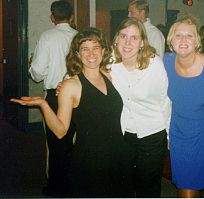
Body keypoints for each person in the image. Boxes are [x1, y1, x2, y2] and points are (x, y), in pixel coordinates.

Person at [12, 28, 135, 197]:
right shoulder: (71, 86)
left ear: (104, 50)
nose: (91, 53)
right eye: (85, 48)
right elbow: (60, 131)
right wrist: (43, 104)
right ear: (77, 54)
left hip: (118, 155)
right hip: (91, 160)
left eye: (96, 47)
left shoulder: (109, 76)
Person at [110, 17, 171, 197]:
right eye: (123, 36)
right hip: (123, 134)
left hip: (152, 133)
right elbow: (84, 69)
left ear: (142, 42)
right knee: (124, 184)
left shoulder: (154, 66)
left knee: (148, 187)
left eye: (134, 37)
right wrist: (66, 82)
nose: (128, 42)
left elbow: (164, 101)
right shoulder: (109, 62)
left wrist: (167, 135)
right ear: (116, 39)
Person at [164, 15, 204, 198]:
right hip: (179, 137)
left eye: (189, 35)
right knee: (186, 191)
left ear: (197, 41)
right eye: (178, 35)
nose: (183, 40)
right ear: (170, 40)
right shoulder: (164, 63)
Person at [28, 0, 77, 196]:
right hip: (77, 95)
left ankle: (56, 187)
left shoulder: (47, 36)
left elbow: (38, 73)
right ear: (71, 17)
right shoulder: (77, 36)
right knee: (72, 141)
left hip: (55, 97)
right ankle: (73, 183)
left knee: (55, 143)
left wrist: (32, 67)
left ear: (52, 17)